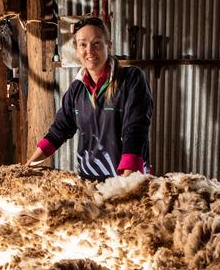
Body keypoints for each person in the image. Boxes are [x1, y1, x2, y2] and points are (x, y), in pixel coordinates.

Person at [25, 17, 153, 181]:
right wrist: (29, 165)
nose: (90, 50)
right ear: (76, 49)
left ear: (109, 45)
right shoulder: (76, 89)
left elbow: (135, 127)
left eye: (97, 43)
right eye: (83, 44)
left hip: (127, 177)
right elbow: (59, 131)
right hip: (89, 179)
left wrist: (128, 182)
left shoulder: (131, 79)